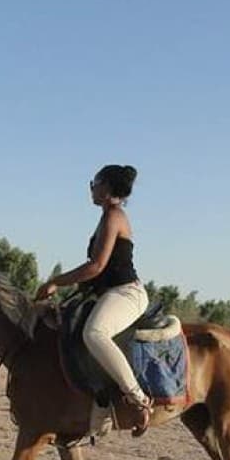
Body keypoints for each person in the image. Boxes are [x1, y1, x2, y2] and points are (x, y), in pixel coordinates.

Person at [34, 164, 152, 436]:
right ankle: (99, 399)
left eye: (94, 183)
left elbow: (97, 266)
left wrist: (55, 281)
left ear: (107, 187)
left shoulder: (114, 216)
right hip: (107, 293)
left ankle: (138, 400)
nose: (91, 188)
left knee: (95, 333)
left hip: (126, 293)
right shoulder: (105, 216)